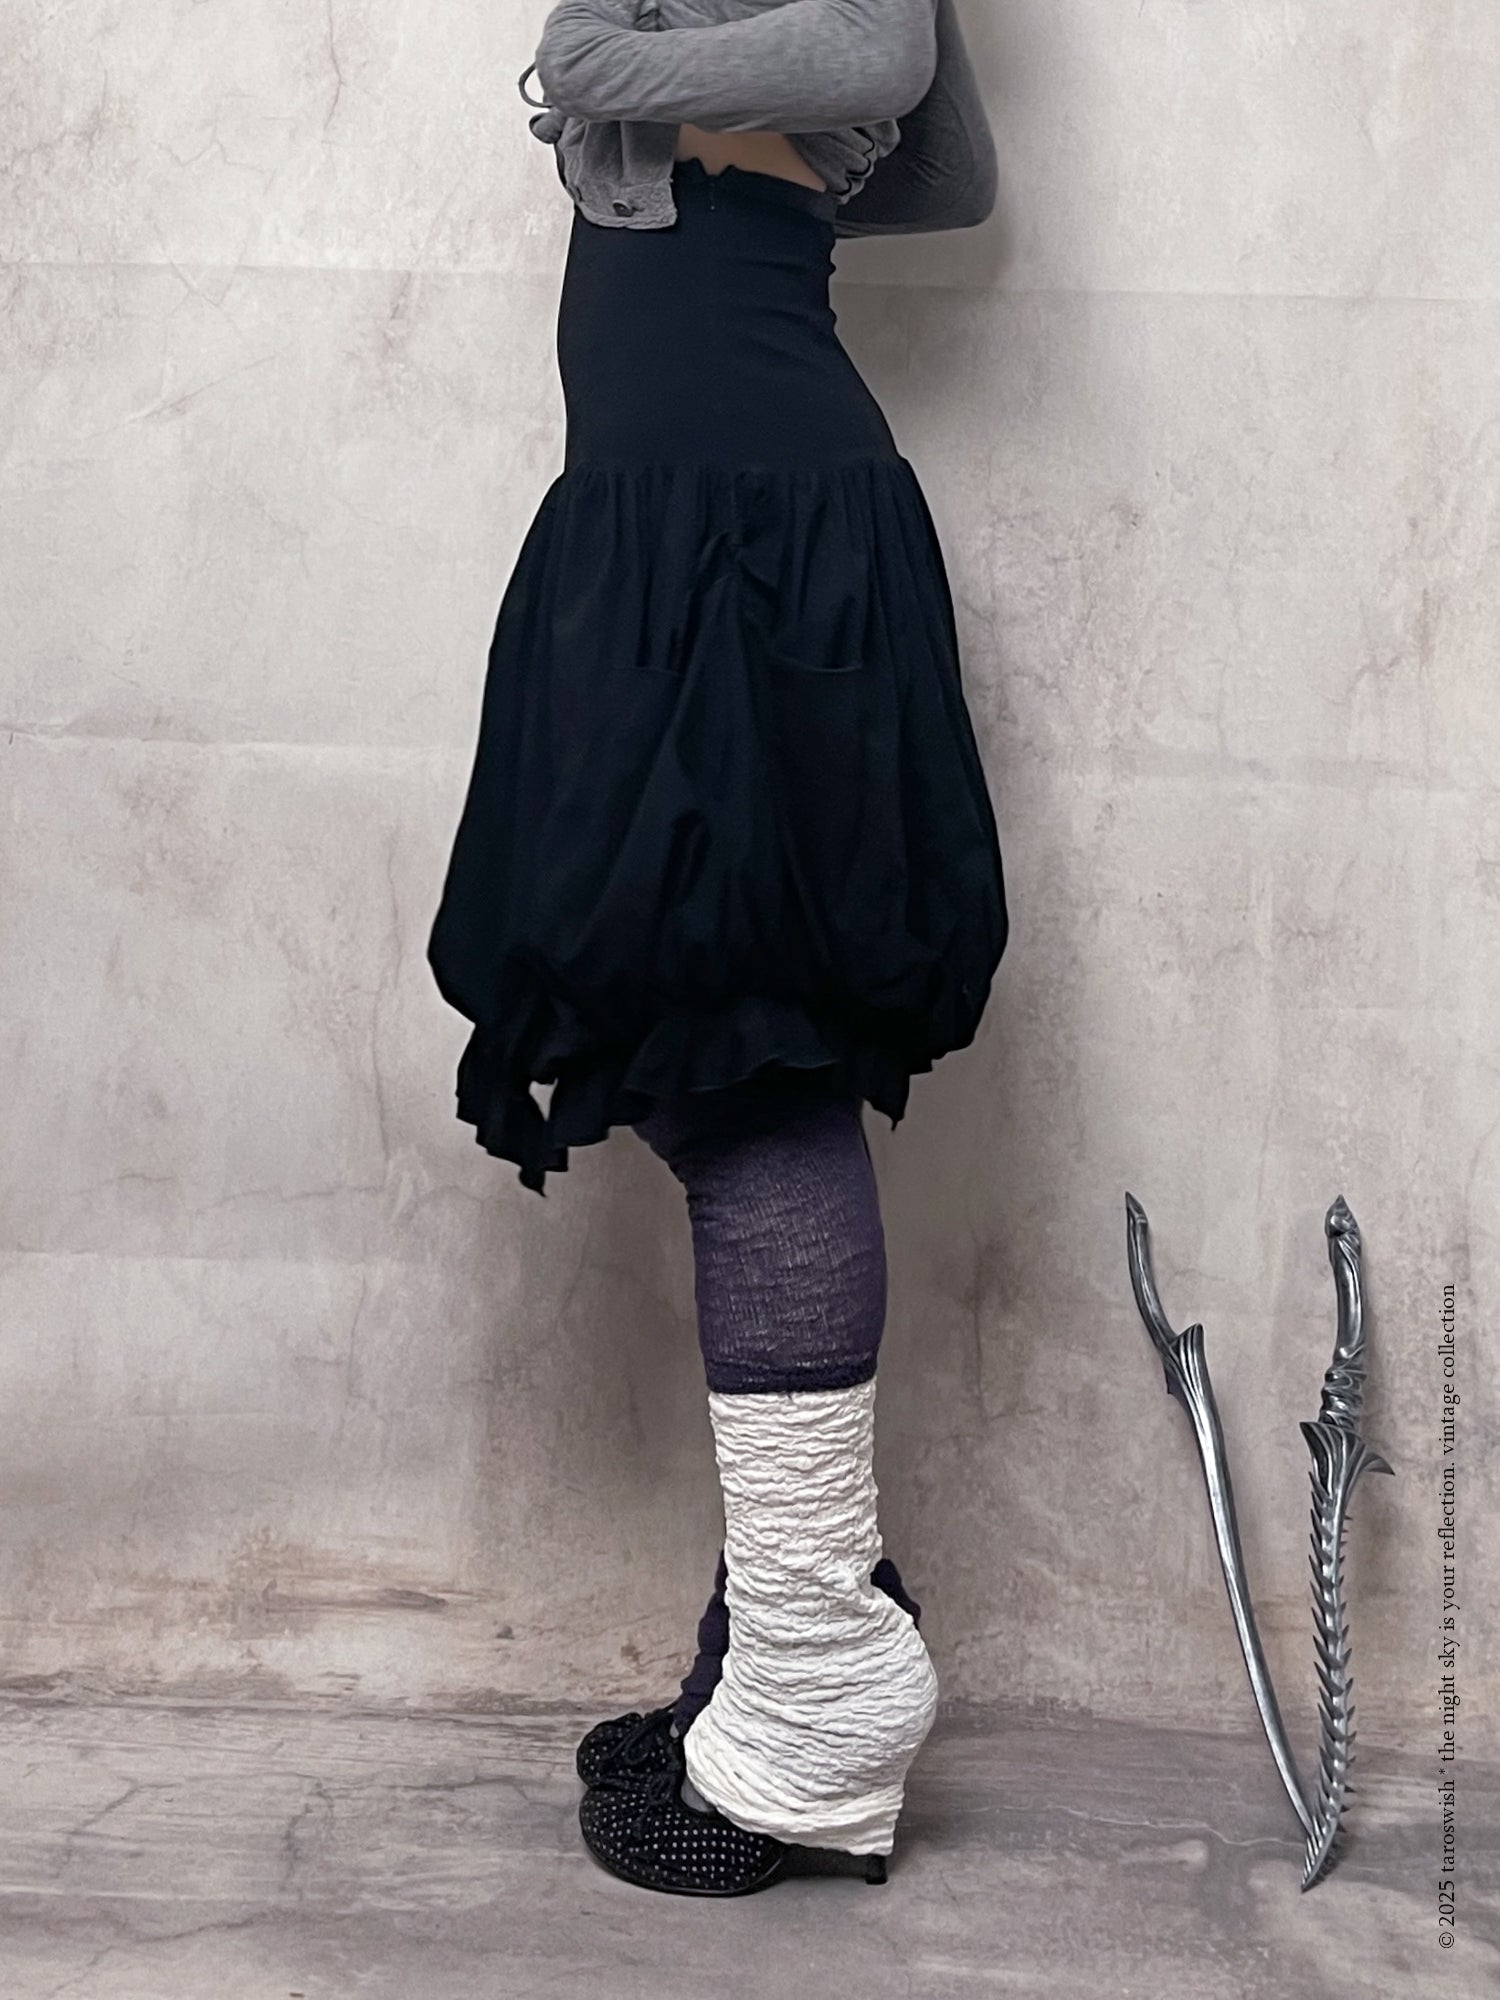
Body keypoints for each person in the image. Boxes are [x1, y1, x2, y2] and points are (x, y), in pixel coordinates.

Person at [425, 0, 1010, 1897]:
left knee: (749, 1074)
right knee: (715, 1058)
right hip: (701, 489)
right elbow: (946, 164)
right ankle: (793, 1640)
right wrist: (767, 157)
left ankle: (819, 1692)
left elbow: (881, 62)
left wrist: (608, 71)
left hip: (734, 508)